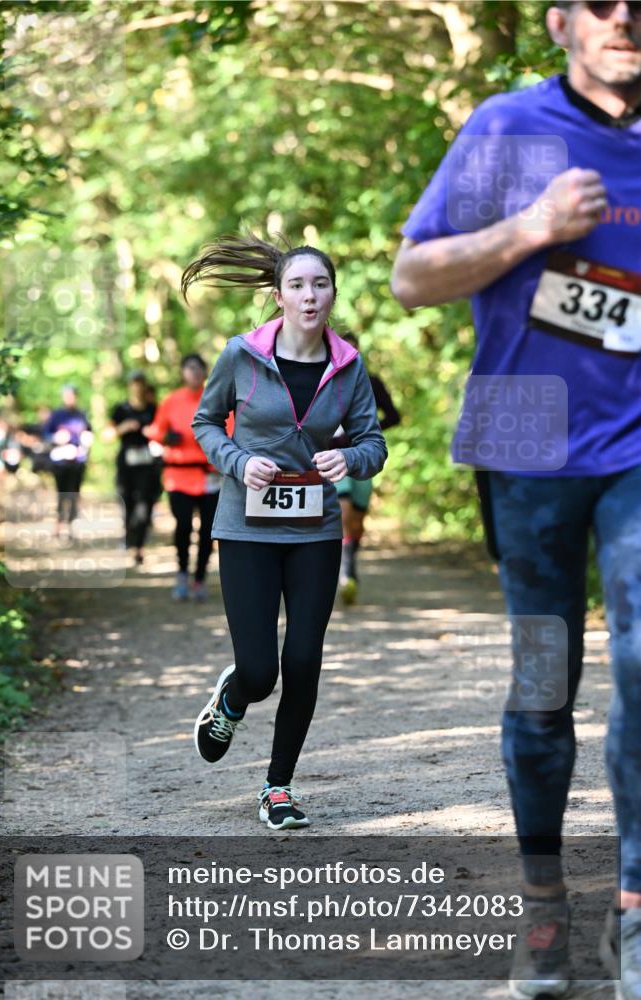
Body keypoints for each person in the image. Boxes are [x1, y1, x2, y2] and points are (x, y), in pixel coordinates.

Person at [391, 2, 641, 998]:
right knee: (543, 683)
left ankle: (631, 907)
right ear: (559, 25)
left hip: (636, 445)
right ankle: (544, 908)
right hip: (523, 432)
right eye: (601, 2)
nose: (625, 16)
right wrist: (532, 226)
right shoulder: (507, 129)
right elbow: (413, 276)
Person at [182, 234, 387, 830]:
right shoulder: (240, 355)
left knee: (303, 660)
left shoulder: (348, 366)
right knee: (260, 670)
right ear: (278, 297)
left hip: (315, 530)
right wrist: (239, 462)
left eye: (319, 284)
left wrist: (348, 460)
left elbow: (373, 442)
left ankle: (278, 787)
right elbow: (204, 421)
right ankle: (232, 697)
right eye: (297, 285)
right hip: (246, 525)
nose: (309, 295)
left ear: (332, 294)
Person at [144, 354, 222, 600]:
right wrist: (167, 438)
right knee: (183, 525)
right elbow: (155, 431)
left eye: (199, 368)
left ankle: (199, 579)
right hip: (178, 475)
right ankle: (181, 574)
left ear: (205, 372)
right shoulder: (171, 401)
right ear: (182, 372)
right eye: (190, 368)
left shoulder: (216, 398)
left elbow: (230, 431)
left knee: (209, 530)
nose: (195, 372)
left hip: (209, 476)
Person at [330, 332, 400, 605]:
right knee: (343, 512)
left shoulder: (372, 383)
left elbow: (394, 416)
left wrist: (367, 432)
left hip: (362, 456)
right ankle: (344, 575)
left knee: (357, 521)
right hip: (334, 457)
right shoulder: (326, 379)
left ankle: (351, 565)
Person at [106, 371, 159, 567]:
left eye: (140, 383)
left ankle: (139, 547)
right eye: (134, 383)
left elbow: (162, 431)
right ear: (129, 386)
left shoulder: (154, 409)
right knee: (126, 503)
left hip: (147, 463)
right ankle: (129, 537)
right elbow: (107, 435)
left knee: (144, 505)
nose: (137, 387)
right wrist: (123, 427)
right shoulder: (121, 409)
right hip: (125, 463)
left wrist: (152, 433)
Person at [43, 386, 93, 539]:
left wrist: (86, 442)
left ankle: (71, 526)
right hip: (60, 461)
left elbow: (89, 435)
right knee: (61, 493)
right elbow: (46, 434)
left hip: (77, 461)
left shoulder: (82, 415)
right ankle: (58, 525)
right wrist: (56, 438)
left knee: (74, 494)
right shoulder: (56, 415)